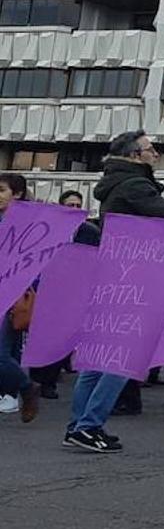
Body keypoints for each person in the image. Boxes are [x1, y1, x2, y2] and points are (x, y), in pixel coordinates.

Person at [63, 130, 164, 453]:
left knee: (98, 357)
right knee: (121, 358)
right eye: (150, 149)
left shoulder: (119, 186)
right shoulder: (135, 185)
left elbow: (158, 209)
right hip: (134, 282)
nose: (155, 153)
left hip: (114, 279)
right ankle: (89, 425)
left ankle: (78, 424)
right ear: (135, 155)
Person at [0, 173, 41, 423]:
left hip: (11, 295)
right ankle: (19, 389)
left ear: (17, 194)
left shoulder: (27, 225)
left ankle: (25, 387)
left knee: (2, 353)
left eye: (1, 190)